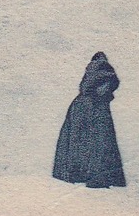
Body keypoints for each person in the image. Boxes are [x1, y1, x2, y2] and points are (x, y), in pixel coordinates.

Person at [52, 52, 127, 188]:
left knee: (81, 142)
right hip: (92, 108)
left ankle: (78, 174)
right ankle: (97, 177)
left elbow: (93, 85)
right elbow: (110, 81)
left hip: (82, 108)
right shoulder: (103, 68)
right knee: (99, 142)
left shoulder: (87, 91)